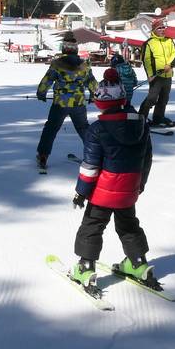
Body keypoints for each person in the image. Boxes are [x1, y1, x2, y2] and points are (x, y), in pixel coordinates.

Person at [67, 68, 155, 294]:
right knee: (128, 225)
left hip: (103, 192)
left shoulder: (97, 130)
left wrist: (81, 192)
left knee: (92, 225)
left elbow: (90, 166)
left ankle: (86, 267)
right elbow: (146, 159)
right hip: (129, 188)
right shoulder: (141, 124)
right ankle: (138, 263)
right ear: (123, 99)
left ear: (99, 103)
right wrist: (140, 183)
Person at [34, 36, 97, 169]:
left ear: (64, 48)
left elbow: (47, 80)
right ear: (76, 49)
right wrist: (93, 95)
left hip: (60, 104)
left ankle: (43, 155)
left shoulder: (57, 64)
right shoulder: (84, 65)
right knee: (83, 128)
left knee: (51, 128)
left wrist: (41, 93)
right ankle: (95, 155)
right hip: (78, 103)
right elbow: (92, 83)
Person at [138, 18, 175, 127]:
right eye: (159, 28)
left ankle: (158, 118)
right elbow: (146, 60)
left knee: (164, 99)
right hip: (156, 76)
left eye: (163, 27)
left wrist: (169, 65)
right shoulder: (149, 43)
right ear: (154, 30)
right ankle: (141, 118)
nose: (162, 29)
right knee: (152, 98)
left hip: (168, 75)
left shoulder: (169, 41)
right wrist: (150, 75)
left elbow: (174, 54)